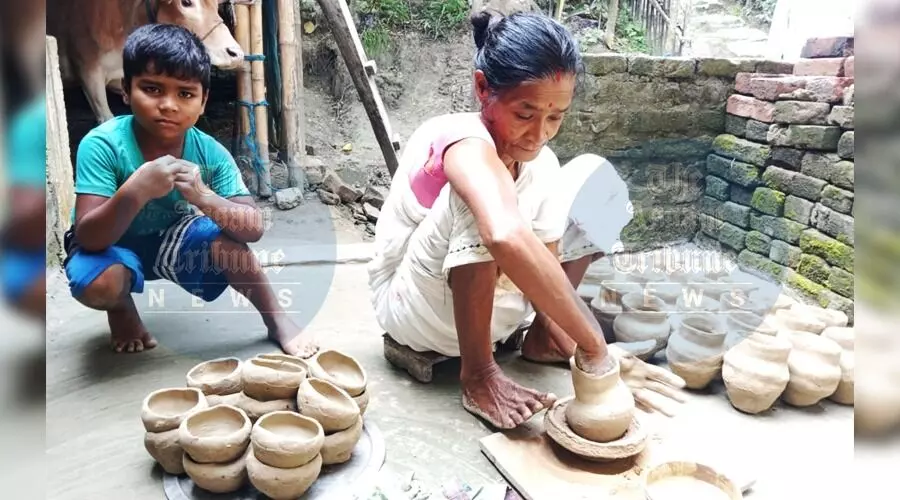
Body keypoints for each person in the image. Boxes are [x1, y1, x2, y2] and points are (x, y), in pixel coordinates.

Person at [368, 11, 686, 429]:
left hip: (496, 315)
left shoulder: (542, 162)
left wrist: (572, 341)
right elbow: (502, 234)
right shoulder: (459, 137)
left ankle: (544, 337)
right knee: (481, 203)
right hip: (417, 310)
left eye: (555, 117)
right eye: (525, 114)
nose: (539, 134)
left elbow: (545, 256)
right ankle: (478, 375)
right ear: (483, 88)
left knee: (596, 176)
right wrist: (597, 348)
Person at [63, 24, 316, 356]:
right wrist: (136, 189)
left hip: (170, 240)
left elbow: (252, 228)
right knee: (100, 283)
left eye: (185, 93)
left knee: (228, 244)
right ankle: (121, 308)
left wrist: (202, 196)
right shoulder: (103, 144)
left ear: (202, 100)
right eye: (152, 89)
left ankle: (276, 319)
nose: (168, 105)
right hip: (111, 244)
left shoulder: (209, 152)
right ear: (125, 89)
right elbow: (90, 237)